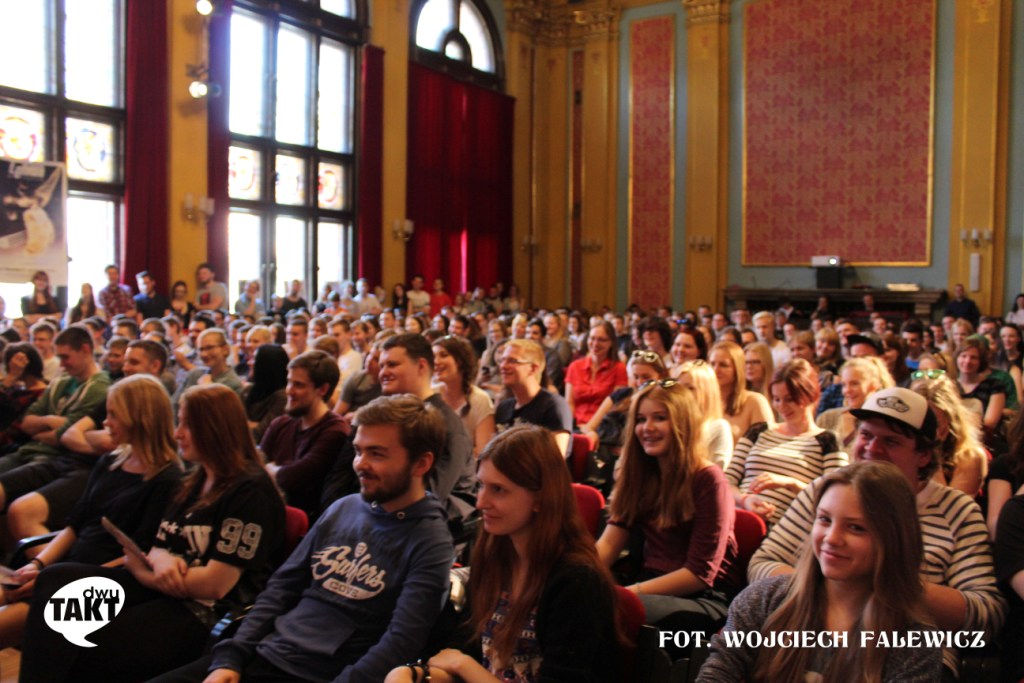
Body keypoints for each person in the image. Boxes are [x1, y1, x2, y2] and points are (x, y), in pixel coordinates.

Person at [152, 394, 454, 683]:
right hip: (265, 655)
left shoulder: (430, 541)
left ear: (421, 464)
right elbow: (280, 589)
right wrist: (231, 657)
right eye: (359, 450)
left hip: (324, 674)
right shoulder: (343, 508)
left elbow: (401, 641)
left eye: (376, 454)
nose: (360, 463)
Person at [19, 384, 285, 682]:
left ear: (212, 429)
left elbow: (215, 585)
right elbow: (154, 550)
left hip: (205, 610)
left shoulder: (250, 491)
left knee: (86, 633)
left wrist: (152, 572)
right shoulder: (193, 480)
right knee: (55, 579)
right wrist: (160, 567)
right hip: (163, 588)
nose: (177, 433)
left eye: (186, 424)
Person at [749, 387, 1007, 678]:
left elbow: (986, 613)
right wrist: (830, 590)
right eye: (866, 435)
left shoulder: (956, 510)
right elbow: (762, 565)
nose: (872, 448)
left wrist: (886, 585)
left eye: (891, 441)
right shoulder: (823, 492)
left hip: (906, 655)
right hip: (807, 641)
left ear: (923, 455)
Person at [389, 425, 621, 683]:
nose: (480, 502)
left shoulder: (577, 581)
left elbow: (465, 661)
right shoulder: (495, 554)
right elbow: (469, 644)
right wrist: (420, 674)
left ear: (541, 498)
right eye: (481, 486)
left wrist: (463, 665)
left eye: (498, 490)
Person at [697, 461, 943, 683]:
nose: (832, 539)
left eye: (856, 528)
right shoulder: (763, 600)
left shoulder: (915, 639)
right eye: (824, 520)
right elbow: (717, 675)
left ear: (893, 539)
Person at [0, 374, 182, 647]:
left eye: (112, 415)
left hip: (104, 585)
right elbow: (76, 524)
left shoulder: (167, 480)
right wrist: (38, 564)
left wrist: (58, 578)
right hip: (71, 568)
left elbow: (137, 557)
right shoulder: (111, 461)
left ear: (139, 418)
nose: (105, 423)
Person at [596, 380, 739, 651]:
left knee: (610, 612)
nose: (647, 428)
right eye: (640, 419)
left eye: (659, 418)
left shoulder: (708, 479)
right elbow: (608, 545)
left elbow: (699, 574)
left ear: (682, 424)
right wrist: (573, 578)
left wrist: (628, 594)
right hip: (648, 584)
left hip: (704, 598)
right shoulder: (640, 474)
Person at [726, 359, 847, 526]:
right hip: (740, 517)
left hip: (788, 528)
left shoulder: (827, 440)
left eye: (790, 399)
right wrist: (745, 499)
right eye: (776, 399)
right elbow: (727, 480)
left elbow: (836, 498)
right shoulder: (759, 431)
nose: (782, 406)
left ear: (810, 395)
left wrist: (790, 483)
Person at [376, 333, 477, 525]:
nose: (383, 373)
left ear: (421, 366)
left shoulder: (445, 423)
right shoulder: (387, 417)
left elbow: (429, 495)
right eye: (381, 366)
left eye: (392, 365)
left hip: (429, 527)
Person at [260, 350, 348, 521]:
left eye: (298, 385)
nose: (289, 391)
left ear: (322, 389)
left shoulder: (335, 431)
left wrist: (273, 470)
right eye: (289, 382)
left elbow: (295, 478)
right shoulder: (281, 423)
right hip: (269, 511)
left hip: (305, 522)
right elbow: (255, 469)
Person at [494, 339, 573, 456]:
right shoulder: (503, 407)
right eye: (502, 360)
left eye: (512, 361)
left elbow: (555, 460)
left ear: (533, 368)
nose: (503, 366)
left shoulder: (554, 406)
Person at [432, 335, 495, 458]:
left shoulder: (479, 399)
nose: (436, 361)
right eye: (433, 356)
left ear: (460, 360)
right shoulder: (431, 395)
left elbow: (484, 451)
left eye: (443, 355)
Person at [816, 357, 893, 450]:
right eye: (844, 385)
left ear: (873, 385)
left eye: (854, 384)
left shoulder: (882, 424)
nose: (847, 390)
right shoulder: (827, 418)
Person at [564, 321, 628, 426]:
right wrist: (569, 426)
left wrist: (589, 427)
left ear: (611, 343)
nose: (595, 344)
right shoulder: (575, 366)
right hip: (575, 425)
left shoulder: (619, 368)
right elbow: (569, 403)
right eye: (592, 338)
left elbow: (615, 405)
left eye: (601, 340)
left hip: (604, 426)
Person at [708, 340, 773, 443]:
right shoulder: (702, 401)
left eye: (723, 365)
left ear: (737, 369)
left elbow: (765, 445)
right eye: (712, 364)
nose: (716, 370)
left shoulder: (755, 401)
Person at [675, 360, 734, 469]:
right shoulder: (669, 425)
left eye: (690, 388)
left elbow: (718, 472)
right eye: (679, 388)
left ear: (707, 392)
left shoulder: (718, 427)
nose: (683, 393)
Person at [173, 327, 244, 406]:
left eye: (209, 348)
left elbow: (224, 416)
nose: (204, 354)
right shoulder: (194, 374)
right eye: (201, 349)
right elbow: (174, 405)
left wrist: (207, 389)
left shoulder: (234, 384)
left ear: (225, 349)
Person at [956, 335, 1006, 438]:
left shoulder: (994, 385)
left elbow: (989, 424)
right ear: (957, 357)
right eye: (963, 356)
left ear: (981, 362)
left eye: (973, 357)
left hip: (985, 440)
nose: (967, 361)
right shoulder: (949, 386)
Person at [0, 343, 47, 452]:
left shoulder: (42, 393)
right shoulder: (16, 389)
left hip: (16, 446)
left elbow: (16, 430)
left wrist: (11, 377)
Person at [242, 344, 289, 442]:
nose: (249, 363)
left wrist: (247, 425)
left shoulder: (282, 397)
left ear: (265, 365)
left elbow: (260, 434)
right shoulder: (249, 390)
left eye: (255, 359)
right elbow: (233, 425)